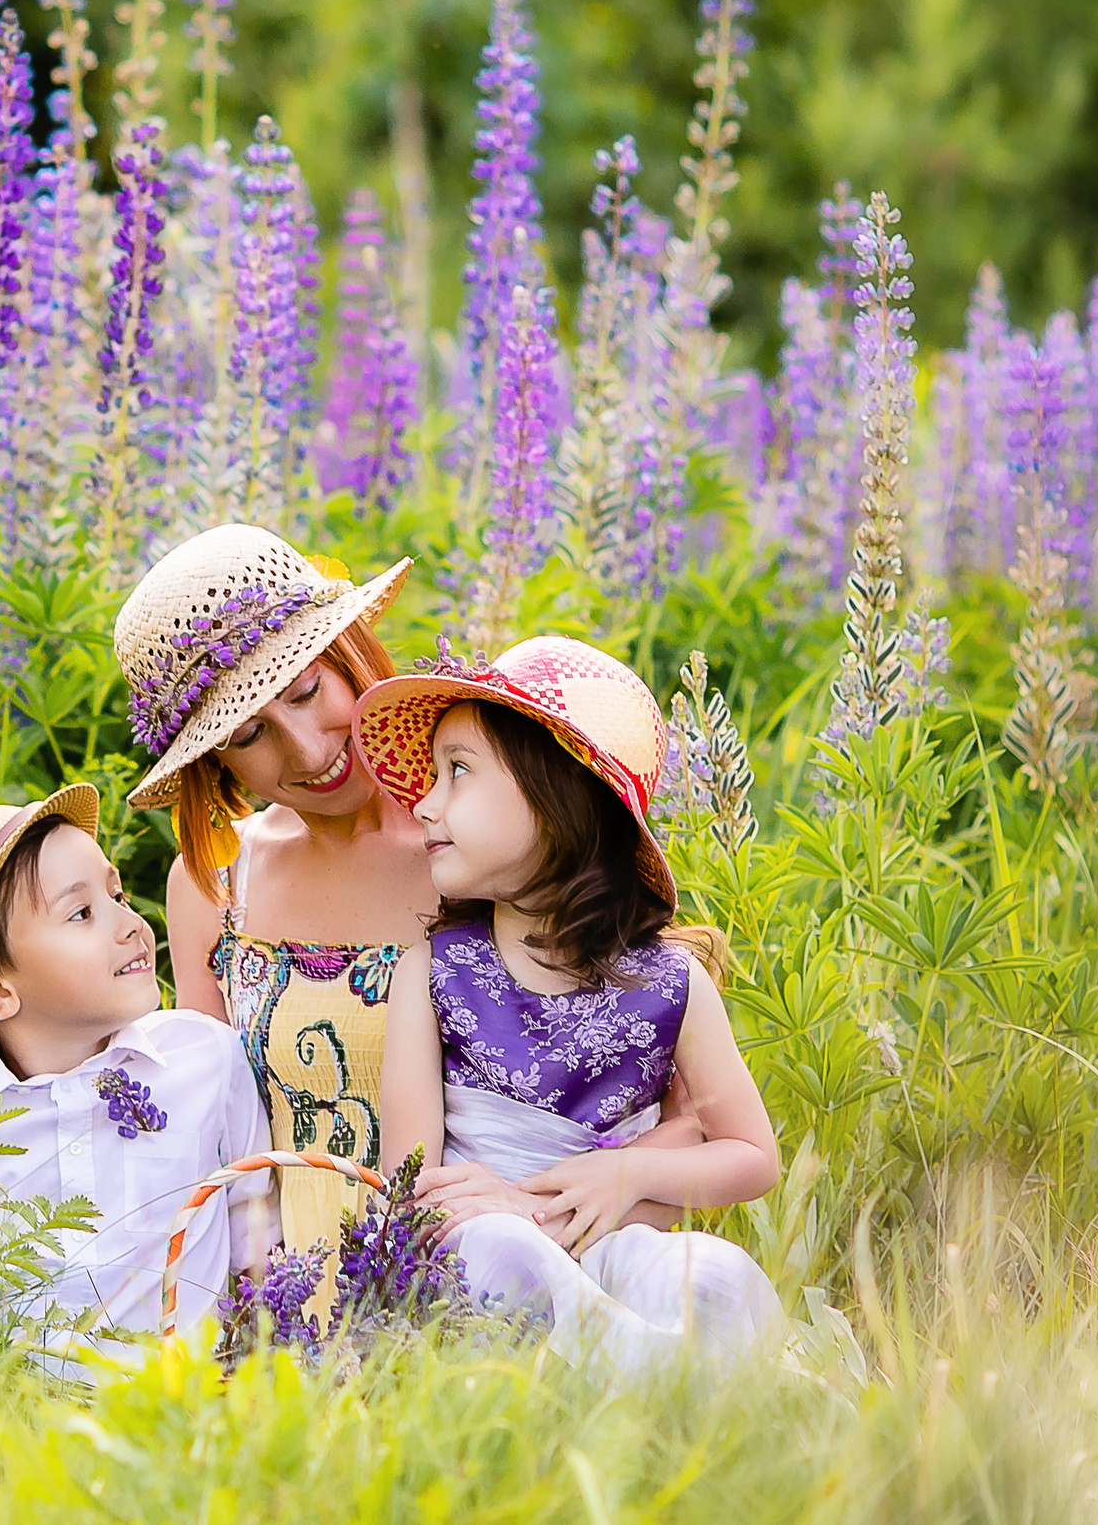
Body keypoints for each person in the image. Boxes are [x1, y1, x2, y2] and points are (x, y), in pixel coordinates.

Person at [113, 524, 689, 1280]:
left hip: (509, 1272)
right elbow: (210, 1139)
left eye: (308, 690)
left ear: (350, 651)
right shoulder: (215, 887)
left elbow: (684, 1112)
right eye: (251, 733)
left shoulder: (481, 854)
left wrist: (554, 1202)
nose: (309, 751)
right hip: (289, 1300)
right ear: (212, 758)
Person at [361, 635, 786, 1371]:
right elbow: (414, 1186)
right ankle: (626, 1372)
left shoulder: (670, 983)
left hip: (611, 1234)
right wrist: (517, 1211)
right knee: (502, 1251)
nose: (425, 804)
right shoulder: (434, 970)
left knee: (707, 1275)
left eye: (457, 771)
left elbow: (752, 1154)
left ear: (556, 794)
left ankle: (642, 1376)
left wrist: (628, 1173)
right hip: (481, 1240)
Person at [0, 784, 274, 1340]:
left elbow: (257, 1242)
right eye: (81, 912)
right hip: (10, 1412)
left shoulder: (203, 1057)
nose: (130, 924)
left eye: (119, 896)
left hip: (184, 1404)